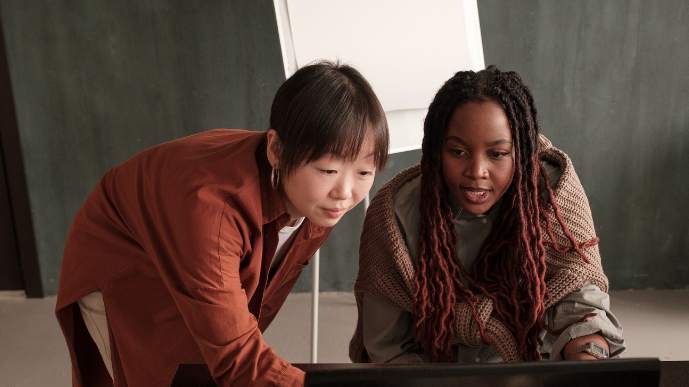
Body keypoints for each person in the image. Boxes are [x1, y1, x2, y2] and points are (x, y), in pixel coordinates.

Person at [55, 60, 389, 386]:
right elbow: (236, 358)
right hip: (127, 257)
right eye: (328, 170)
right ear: (276, 149)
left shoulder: (313, 195)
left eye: (364, 172)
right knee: (158, 372)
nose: (345, 193)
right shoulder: (212, 213)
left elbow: (249, 319)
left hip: (188, 242)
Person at [349, 65, 624, 364]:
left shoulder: (554, 193)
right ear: (434, 150)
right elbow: (388, 349)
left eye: (497, 154)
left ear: (522, 151)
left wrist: (587, 357)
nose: (476, 172)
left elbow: (580, 298)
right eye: (457, 152)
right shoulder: (393, 215)